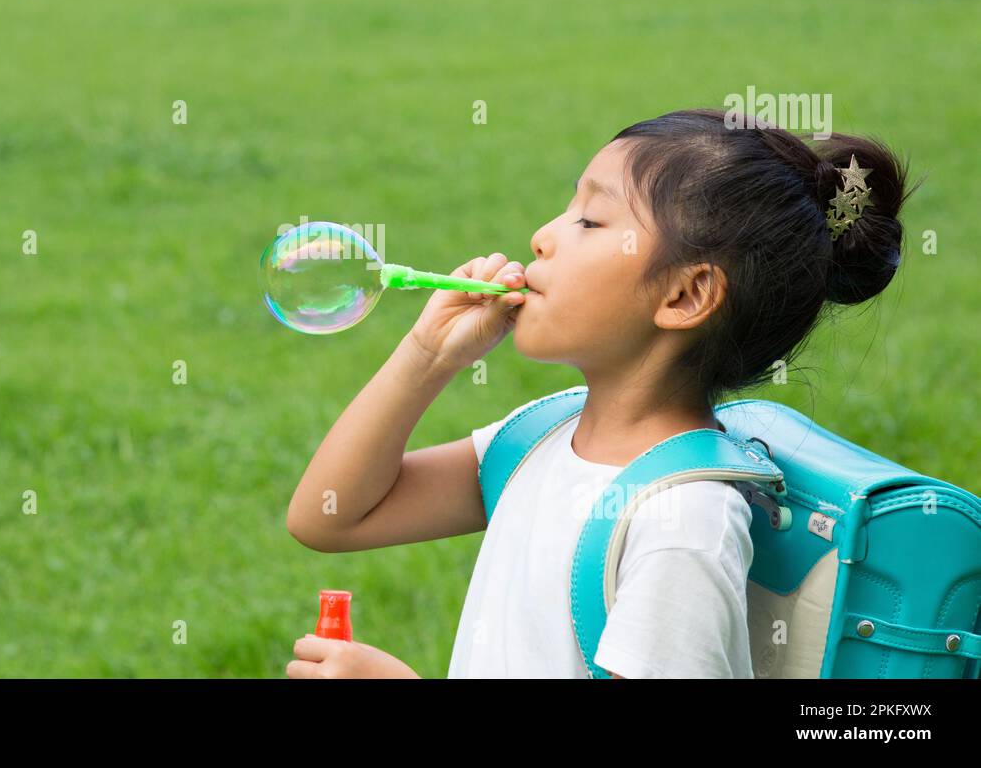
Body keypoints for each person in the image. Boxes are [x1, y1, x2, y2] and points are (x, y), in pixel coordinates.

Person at [285, 108, 916, 678]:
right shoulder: (540, 436)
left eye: (589, 219)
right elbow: (332, 516)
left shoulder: (685, 521)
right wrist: (427, 357)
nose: (542, 236)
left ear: (685, 296)